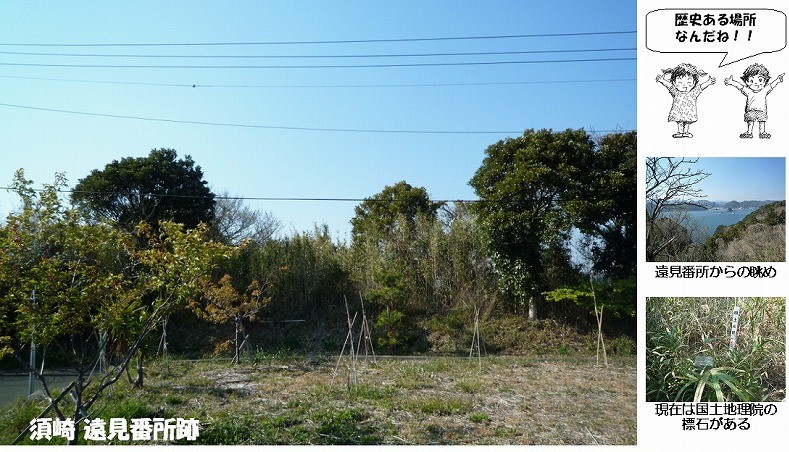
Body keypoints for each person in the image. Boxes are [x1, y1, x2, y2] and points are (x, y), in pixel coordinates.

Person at [725, 63, 784, 139]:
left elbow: (772, 85)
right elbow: (740, 86)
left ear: (765, 81)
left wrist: (778, 80)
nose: (756, 83)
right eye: (752, 80)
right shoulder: (748, 90)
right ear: (747, 82)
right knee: (750, 121)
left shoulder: (764, 90)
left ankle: (762, 132)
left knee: (762, 121)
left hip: (762, 110)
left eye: (760, 80)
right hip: (750, 110)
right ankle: (749, 132)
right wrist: (732, 82)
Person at [656, 63, 716, 138]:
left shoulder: (693, 92)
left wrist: (709, 82)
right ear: (674, 83)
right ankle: (680, 132)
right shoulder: (675, 92)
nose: (684, 86)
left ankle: (686, 132)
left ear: (694, 83)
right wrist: (662, 80)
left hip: (688, 111)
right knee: (680, 121)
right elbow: (669, 86)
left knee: (687, 121)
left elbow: (701, 87)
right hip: (679, 111)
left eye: (689, 83)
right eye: (680, 83)